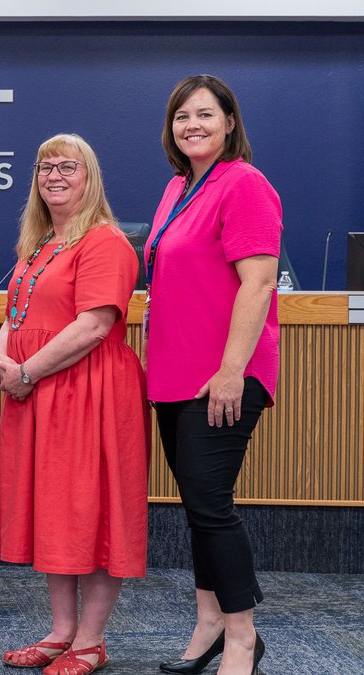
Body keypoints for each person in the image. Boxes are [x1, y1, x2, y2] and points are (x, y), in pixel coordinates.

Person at [0, 134, 149, 675]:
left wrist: (26, 370)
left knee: (92, 511)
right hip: (39, 394)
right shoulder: (38, 243)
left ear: (90, 176)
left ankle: (91, 641)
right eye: (44, 167)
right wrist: (4, 355)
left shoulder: (105, 242)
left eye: (67, 167)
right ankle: (62, 632)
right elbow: (15, 311)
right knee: (57, 513)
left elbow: (95, 324)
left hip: (89, 394)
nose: (54, 176)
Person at [146, 75, 280, 675]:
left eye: (205, 114)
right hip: (172, 375)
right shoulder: (179, 186)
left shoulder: (244, 184)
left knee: (211, 505)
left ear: (230, 121)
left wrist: (232, 371)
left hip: (221, 376)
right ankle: (209, 626)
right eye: (182, 117)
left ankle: (244, 639)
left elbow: (258, 282)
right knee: (198, 507)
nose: (192, 125)